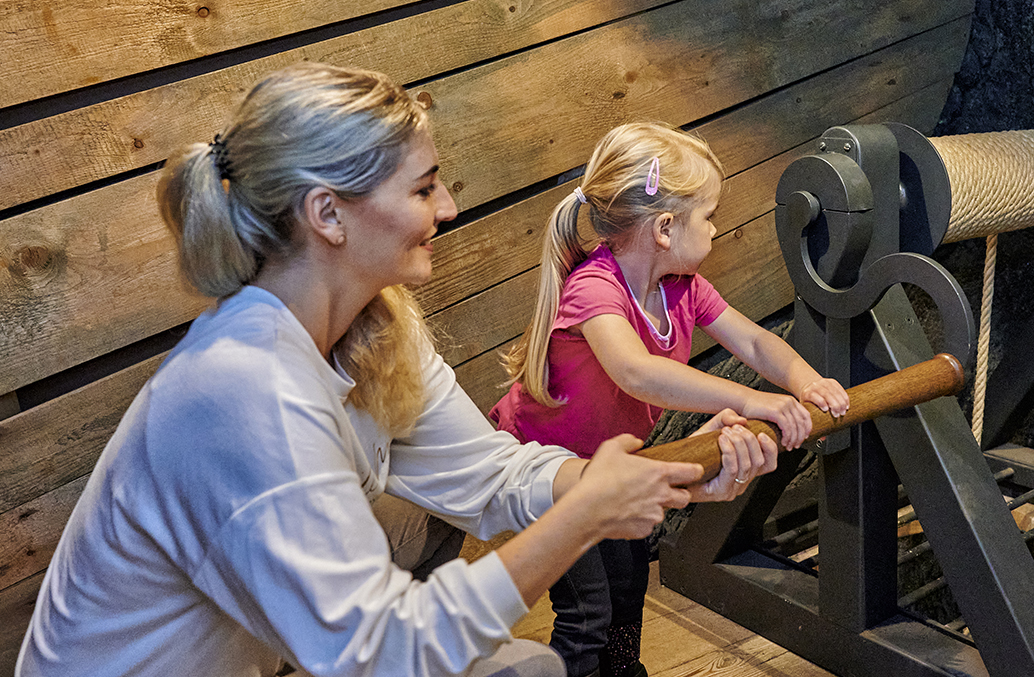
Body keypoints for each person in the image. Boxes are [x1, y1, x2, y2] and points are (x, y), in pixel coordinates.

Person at [17, 63, 778, 677]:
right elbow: (386, 652)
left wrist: (665, 473)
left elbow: (493, 477)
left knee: (527, 666)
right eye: (421, 187)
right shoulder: (244, 392)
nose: (446, 206)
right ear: (328, 214)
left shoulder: (377, 331)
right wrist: (588, 514)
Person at [488, 122, 850, 677]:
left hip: (614, 465)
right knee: (590, 611)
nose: (715, 229)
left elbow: (752, 339)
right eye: (708, 216)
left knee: (630, 580)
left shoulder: (681, 286)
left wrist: (804, 382)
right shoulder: (595, 287)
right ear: (664, 228)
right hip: (546, 469)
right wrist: (754, 402)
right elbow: (638, 373)